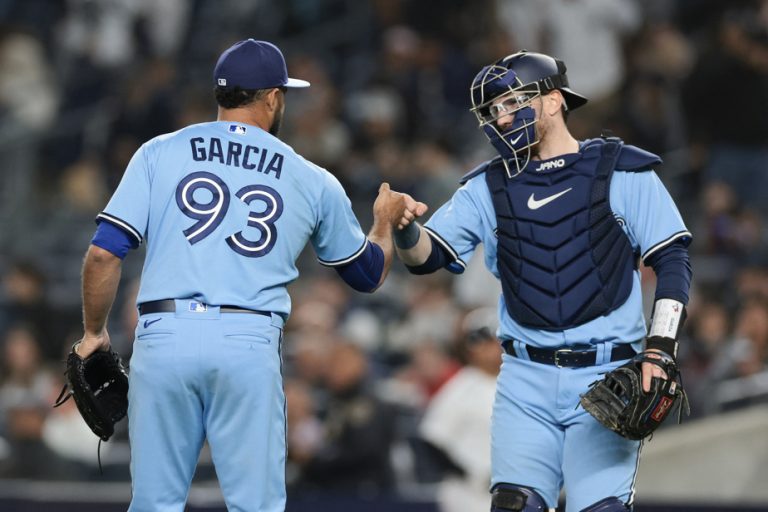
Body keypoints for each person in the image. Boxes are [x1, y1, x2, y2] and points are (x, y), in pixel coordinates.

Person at [73, 39, 426, 512]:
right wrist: (382, 224)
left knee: (155, 504)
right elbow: (366, 275)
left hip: (164, 337)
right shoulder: (310, 177)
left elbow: (103, 254)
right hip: (246, 339)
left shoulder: (160, 151)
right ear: (273, 97)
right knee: (255, 506)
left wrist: (94, 333)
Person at [394, 50, 692, 511]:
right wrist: (405, 229)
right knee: (516, 505)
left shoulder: (620, 168)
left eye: (512, 103)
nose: (501, 117)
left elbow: (671, 258)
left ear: (553, 101)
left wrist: (660, 347)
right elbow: (428, 256)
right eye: (493, 110)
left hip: (606, 375)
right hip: (524, 378)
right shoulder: (487, 185)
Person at [419, 307, 502, 512]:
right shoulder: (462, 385)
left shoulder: (518, 384)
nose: (494, 348)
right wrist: (468, 474)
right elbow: (432, 440)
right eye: (486, 341)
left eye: (497, 341)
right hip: (469, 496)